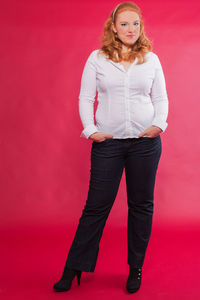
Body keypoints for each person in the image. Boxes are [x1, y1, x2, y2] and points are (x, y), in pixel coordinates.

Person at [53, 1, 169, 294]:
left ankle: (135, 268)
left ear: (141, 27)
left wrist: (160, 124)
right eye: (125, 24)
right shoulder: (97, 58)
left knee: (141, 206)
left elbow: (161, 98)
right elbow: (85, 97)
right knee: (96, 207)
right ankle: (73, 267)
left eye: (136, 24)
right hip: (109, 145)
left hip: (145, 144)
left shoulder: (151, 59)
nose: (131, 29)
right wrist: (90, 129)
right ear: (114, 27)